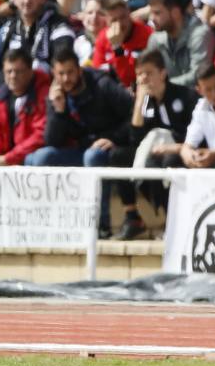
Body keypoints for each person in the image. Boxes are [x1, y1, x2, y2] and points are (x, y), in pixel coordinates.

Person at [27, 45, 134, 239]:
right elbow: (52, 140)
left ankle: (100, 226)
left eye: (70, 72)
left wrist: (114, 138)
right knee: (42, 157)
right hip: (80, 151)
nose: (66, 79)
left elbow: (133, 113)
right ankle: (49, 224)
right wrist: (58, 111)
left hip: (109, 150)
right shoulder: (56, 93)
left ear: (79, 69)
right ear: (54, 73)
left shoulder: (102, 85)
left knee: (92, 156)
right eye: (61, 74)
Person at [0, 47, 49, 166]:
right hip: (5, 154)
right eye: (9, 71)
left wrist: (9, 159)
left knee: (36, 159)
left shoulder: (44, 93)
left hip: (27, 153)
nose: (13, 76)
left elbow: (40, 135)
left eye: (19, 71)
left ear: (30, 71)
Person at [145, 0, 214, 89]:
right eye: (151, 13)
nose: (152, 19)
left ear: (175, 12)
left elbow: (198, 75)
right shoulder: (155, 39)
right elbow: (147, 71)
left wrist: (165, 85)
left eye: (157, 13)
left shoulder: (200, 34)